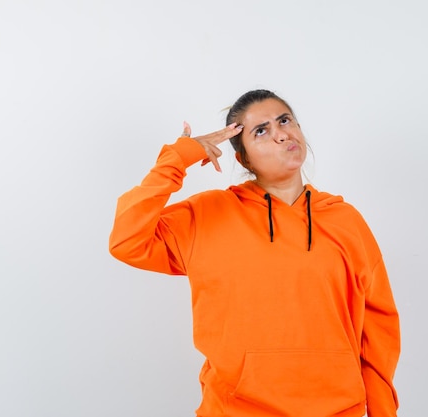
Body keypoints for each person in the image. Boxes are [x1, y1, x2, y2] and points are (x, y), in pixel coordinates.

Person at [109, 89, 400, 417]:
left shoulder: (345, 221)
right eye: (261, 131)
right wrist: (177, 158)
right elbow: (126, 239)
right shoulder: (207, 215)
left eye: (285, 121)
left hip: (337, 410)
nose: (281, 134)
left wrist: (382, 411)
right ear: (243, 158)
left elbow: (378, 328)